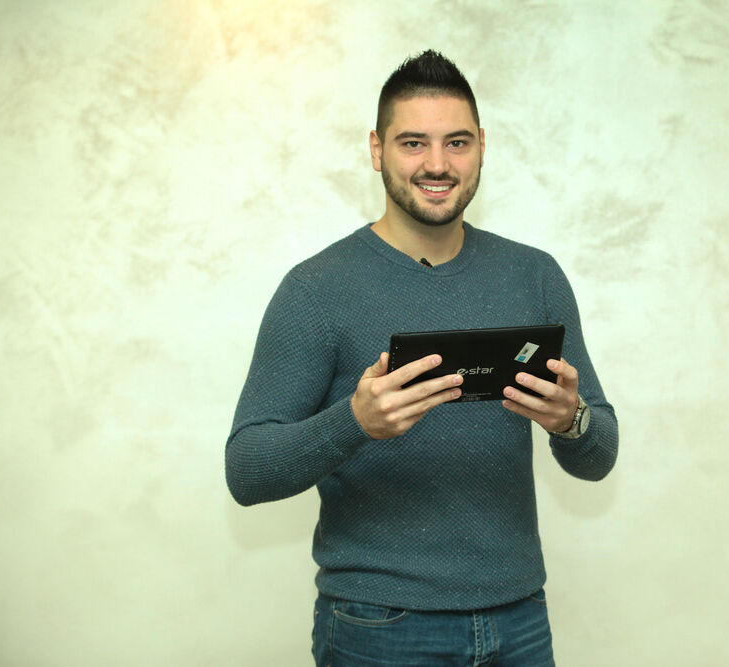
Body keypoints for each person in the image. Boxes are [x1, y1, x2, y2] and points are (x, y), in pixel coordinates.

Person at [226, 50, 618, 666]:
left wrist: (571, 421)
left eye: (456, 142)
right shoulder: (316, 289)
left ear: (482, 146)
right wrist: (354, 422)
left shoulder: (535, 276)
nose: (437, 164)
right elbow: (246, 470)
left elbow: (600, 453)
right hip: (378, 627)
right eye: (413, 143)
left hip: (519, 620)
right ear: (376, 150)